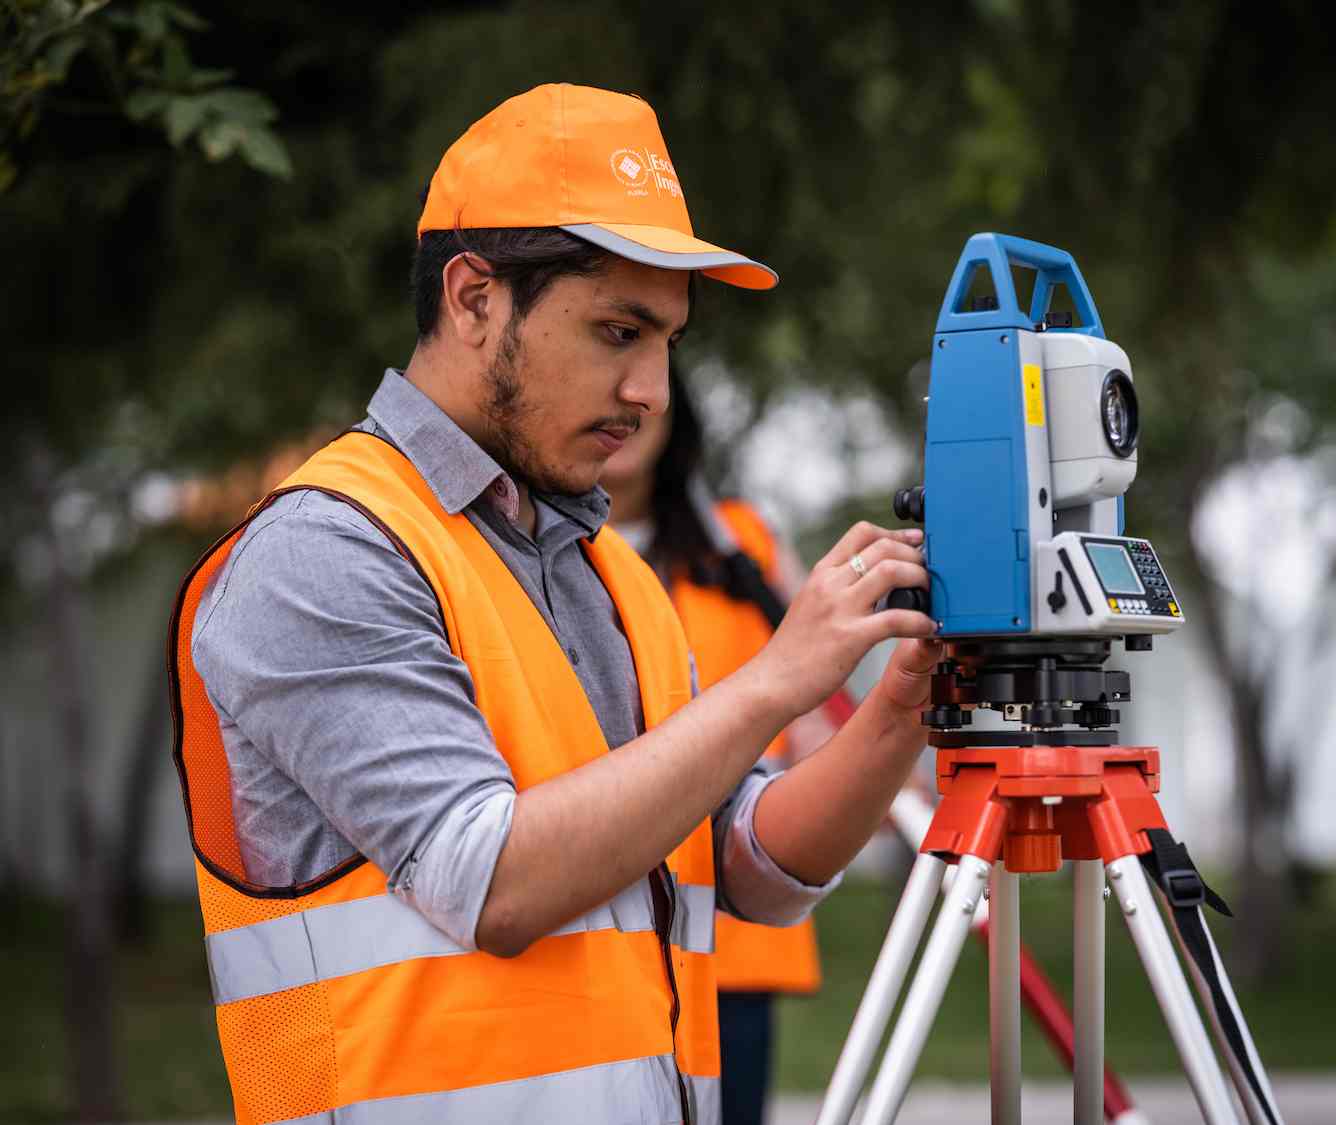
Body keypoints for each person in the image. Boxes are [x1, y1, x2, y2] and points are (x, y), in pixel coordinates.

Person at [169, 83, 938, 1125]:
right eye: (618, 331)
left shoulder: (612, 573)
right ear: (474, 298)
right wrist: (773, 683)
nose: (653, 392)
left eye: (667, 341)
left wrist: (902, 702)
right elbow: (494, 882)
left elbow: (747, 859)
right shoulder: (324, 549)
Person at [601, 365, 842, 1125]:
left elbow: (816, 722)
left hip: (731, 929)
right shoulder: (530, 556)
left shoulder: (740, 544)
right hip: (595, 923)